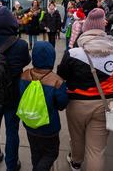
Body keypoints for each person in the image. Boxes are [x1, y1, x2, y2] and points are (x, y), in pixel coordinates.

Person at [57, 8, 113, 171]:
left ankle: (76, 162)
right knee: (97, 150)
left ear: (86, 29)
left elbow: (61, 75)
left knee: (77, 138)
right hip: (106, 105)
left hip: (77, 103)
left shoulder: (73, 53)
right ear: (103, 29)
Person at [0, 6, 30, 171]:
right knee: (12, 130)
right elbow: (25, 61)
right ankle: (11, 164)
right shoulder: (20, 44)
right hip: (13, 94)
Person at [19, 41, 68, 171]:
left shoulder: (24, 75)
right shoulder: (57, 81)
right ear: (52, 58)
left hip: (29, 124)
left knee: (35, 152)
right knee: (51, 153)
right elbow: (62, 104)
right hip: (49, 127)